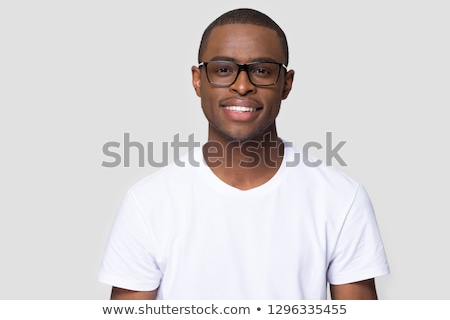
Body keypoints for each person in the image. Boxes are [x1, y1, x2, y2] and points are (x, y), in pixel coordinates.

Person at [98, 8, 389, 300]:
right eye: (223, 69)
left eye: (262, 71)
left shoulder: (341, 198)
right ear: (198, 80)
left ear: (286, 84)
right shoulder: (148, 203)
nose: (242, 85)